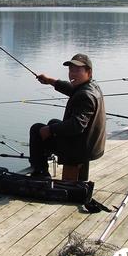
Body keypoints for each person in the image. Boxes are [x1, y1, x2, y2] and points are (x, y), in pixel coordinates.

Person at [29, 53, 106, 181]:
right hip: (90, 143)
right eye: (71, 70)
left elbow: (76, 125)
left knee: (37, 129)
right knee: (53, 122)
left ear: (89, 72)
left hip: (80, 149)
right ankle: (44, 156)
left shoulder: (85, 95)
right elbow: (71, 89)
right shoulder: (91, 86)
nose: (72, 74)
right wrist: (49, 81)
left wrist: (50, 130)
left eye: (77, 70)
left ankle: (41, 173)